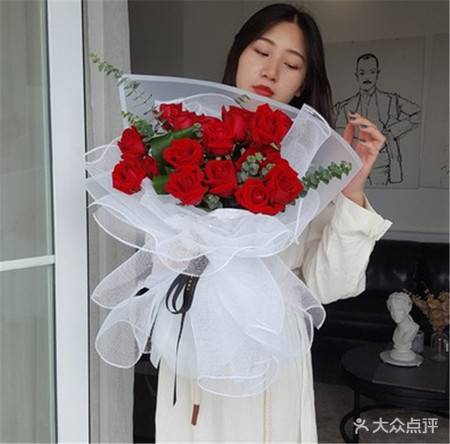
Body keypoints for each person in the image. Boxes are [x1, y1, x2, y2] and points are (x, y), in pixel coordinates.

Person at [155, 4, 392, 442]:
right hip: (199, 344)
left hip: (274, 351)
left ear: (303, 82)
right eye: (262, 52)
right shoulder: (182, 143)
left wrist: (351, 188)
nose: (271, 71)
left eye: (292, 64)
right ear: (238, 55)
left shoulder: (314, 165)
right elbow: (161, 258)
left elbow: (328, 284)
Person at [334, 53, 421, 186]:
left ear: (377, 74)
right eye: (362, 73)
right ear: (356, 76)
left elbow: (418, 114)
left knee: (382, 196)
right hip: (353, 165)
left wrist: (391, 131)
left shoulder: (391, 100)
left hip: (381, 162)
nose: (367, 77)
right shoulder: (344, 106)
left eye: (372, 72)